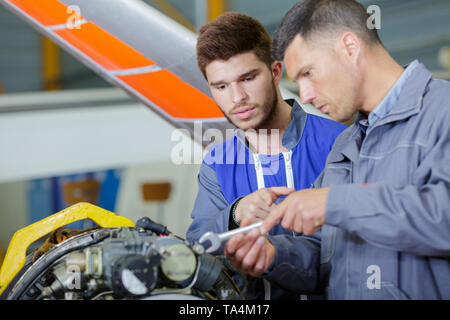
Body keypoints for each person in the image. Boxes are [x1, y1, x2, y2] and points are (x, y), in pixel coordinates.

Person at [224, 0, 450, 300]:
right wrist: (274, 257)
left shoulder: (442, 111)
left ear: (349, 46)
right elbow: (326, 256)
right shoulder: (345, 144)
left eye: (308, 73)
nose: (304, 95)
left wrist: (336, 202)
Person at [185, 12, 346, 299]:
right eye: (220, 86)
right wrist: (235, 213)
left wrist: (274, 255)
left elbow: (349, 252)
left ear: (275, 72)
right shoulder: (217, 163)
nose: (237, 98)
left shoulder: (339, 142)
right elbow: (196, 247)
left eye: (247, 78)